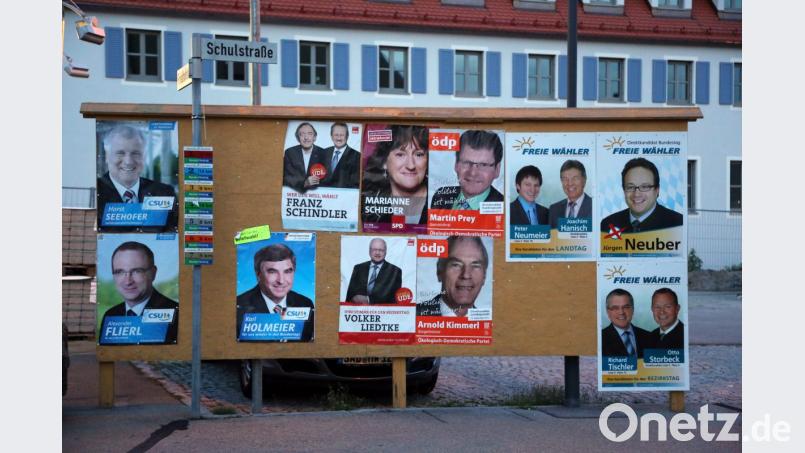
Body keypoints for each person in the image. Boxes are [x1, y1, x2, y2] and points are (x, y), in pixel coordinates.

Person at [96, 124, 178, 231]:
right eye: (120, 153)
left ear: (144, 157)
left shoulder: (164, 193)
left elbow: (173, 233)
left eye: (135, 153)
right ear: (107, 156)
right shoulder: (96, 193)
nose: (128, 161)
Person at [100, 241, 178, 344]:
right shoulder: (111, 315)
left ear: (153, 273)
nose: (128, 281)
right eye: (120, 272)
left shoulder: (175, 314)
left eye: (137, 271)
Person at [236, 244, 314, 341]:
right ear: (258, 274)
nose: (281, 280)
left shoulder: (305, 304)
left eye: (287, 271)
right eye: (272, 272)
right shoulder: (239, 307)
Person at [362, 125, 429, 225]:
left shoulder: (443, 202)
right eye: (400, 154)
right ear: (384, 162)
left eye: (418, 154)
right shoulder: (367, 205)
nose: (411, 165)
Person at [600, 158, 683, 234]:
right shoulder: (608, 224)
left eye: (645, 187)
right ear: (624, 190)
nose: (637, 194)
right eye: (630, 187)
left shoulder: (678, 223)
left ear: (657, 190)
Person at [430, 130, 503, 210]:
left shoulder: (505, 207)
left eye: (483, 165)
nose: (473, 173)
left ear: (497, 169)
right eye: (467, 163)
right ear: (456, 164)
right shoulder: (441, 195)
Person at [416, 236, 489, 317]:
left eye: (475, 266)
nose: (466, 275)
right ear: (439, 271)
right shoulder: (413, 315)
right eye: (456, 265)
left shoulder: (490, 320)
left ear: (484, 276)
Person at [345, 238, 403, 304]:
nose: (377, 253)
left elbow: (394, 298)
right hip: (358, 309)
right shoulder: (358, 268)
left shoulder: (395, 271)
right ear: (369, 251)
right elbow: (350, 295)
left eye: (381, 250)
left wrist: (368, 300)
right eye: (374, 249)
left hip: (383, 310)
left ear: (385, 252)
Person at [600, 288, 651, 357]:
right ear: (608, 311)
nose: (621, 312)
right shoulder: (600, 339)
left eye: (626, 307)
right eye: (615, 308)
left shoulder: (649, 337)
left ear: (633, 309)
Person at [282, 122, 328, 193]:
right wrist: (304, 183)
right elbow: (287, 177)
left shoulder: (324, 153)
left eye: (310, 134)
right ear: (298, 138)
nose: (306, 137)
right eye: (302, 134)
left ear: (314, 137)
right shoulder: (290, 152)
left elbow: (328, 178)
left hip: (318, 194)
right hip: (295, 193)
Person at [548, 159, 593, 228]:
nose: (570, 183)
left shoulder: (595, 207)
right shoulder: (554, 209)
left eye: (575, 178)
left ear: (584, 180)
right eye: (565, 179)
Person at [321, 122, 360, 189]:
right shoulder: (323, 153)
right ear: (331, 136)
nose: (339, 138)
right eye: (336, 135)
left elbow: (356, 184)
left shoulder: (357, 156)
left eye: (342, 135)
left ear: (347, 136)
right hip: (324, 194)